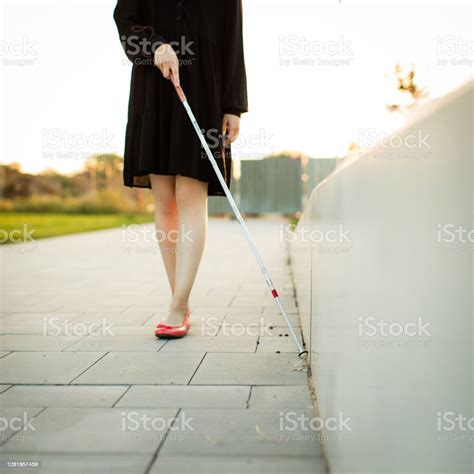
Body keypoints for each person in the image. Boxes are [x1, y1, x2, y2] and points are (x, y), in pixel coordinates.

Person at [113, 0, 248, 338]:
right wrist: (154, 45)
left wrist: (233, 106)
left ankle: (177, 305)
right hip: (154, 88)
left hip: (204, 89)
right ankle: (180, 299)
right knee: (164, 201)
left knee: (190, 193)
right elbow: (126, 19)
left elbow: (234, 41)